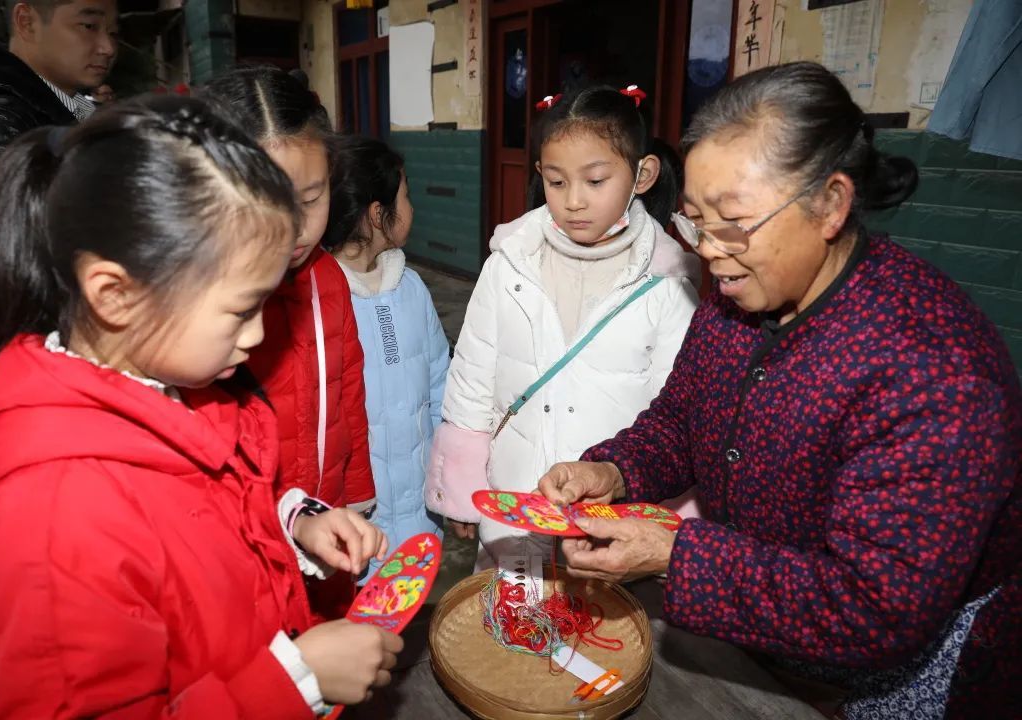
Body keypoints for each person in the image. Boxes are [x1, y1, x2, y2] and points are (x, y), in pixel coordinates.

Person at [540, 62, 1021, 720]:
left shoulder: (932, 367)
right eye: (694, 223)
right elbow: (683, 420)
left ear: (829, 204)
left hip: (896, 668)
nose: (710, 252)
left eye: (733, 222)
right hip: (758, 629)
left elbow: (874, 605)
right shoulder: (736, 293)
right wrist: (615, 469)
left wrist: (674, 554)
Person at [0, 95, 402, 718]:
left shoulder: (187, 390)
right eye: (242, 310)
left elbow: (211, 511)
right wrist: (296, 681)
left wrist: (295, 522)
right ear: (116, 294)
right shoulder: (55, 520)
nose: (258, 336)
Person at [426, 85, 700, 570]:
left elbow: (678, 413)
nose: (574, 201)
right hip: (514, 500)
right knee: (508, 629)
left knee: (598, 635)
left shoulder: (666, 283)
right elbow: (472, 376)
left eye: (595, 181)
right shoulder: (509, 263)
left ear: (643, 174)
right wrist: (464, 484)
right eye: (556, 182)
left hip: (609, 514)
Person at [202, 66, 375, 618]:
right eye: (269, 203)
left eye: (312, 196)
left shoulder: (329, 279)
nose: (297, 229)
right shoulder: (203, 308)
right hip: (242, 534)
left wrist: (356, 493)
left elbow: (348, 388)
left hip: (325, 515)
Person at [0, 0, 118, 360]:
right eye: (89, 26)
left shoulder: (63, 113)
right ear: (27, 22)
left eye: (114, 32)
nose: (108, 47)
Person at [323, 136, 450, 583]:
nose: (411, 207)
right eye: (406, 196)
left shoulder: (411, 287)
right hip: (359, 519)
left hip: (418, 507)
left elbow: (440, 381)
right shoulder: (322, 300)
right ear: (378, 214)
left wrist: (446, 473)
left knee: (405, 609)